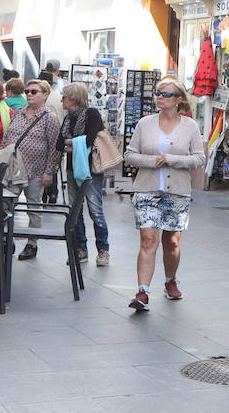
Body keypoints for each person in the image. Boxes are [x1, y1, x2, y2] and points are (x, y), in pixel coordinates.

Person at [124, 78, 205, 311]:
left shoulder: (190, 127)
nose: (159, 97)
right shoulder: (144, 123)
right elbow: (129, 155)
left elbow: (199, 158)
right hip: (146, 189)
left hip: (177, 191)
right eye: (158, 93)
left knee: (172, 241)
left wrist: (173, 160)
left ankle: (170, 281)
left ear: (178, 99)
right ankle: (142, 292)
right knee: (148, 239)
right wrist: (153, 161)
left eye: (166, 94)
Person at [2, 80, 62, 260]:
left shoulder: (49, 118)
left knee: (33, 207)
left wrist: (49, 171)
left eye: (34, 92)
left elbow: (54, 147)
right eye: (27, 91)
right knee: (6, 205)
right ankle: (6, 238)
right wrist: (1, 156)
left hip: (36, 170)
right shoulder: (18, 113)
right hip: (13, 168)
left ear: (45, 95)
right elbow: (7, 137)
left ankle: (32, 243)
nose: (29, 94)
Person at [58, 82, 111, 266]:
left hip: (92, 170)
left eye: (64, 96)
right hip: (72, 169)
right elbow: (59, 144)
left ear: (73, 98)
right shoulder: (67, 119)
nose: (61, 100)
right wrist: (74, 144)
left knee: (95, 210)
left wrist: (71, 143)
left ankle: (103, 250)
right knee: (75, 211)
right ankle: (81, 250)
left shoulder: (92, 114)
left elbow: (89, 140)